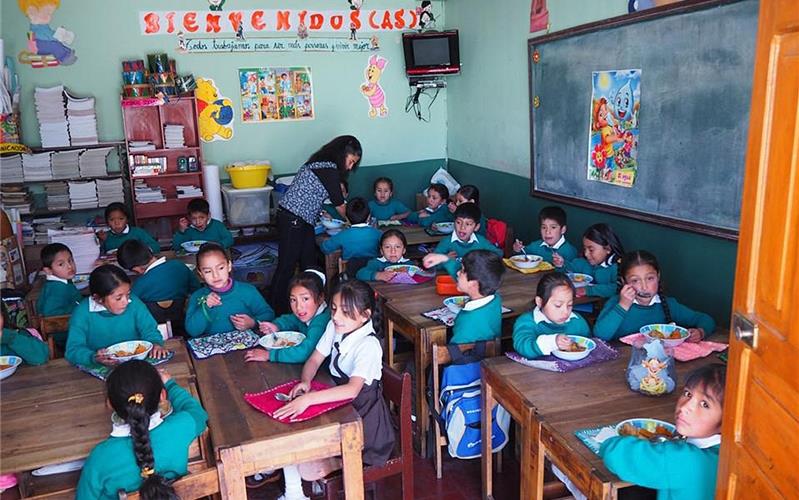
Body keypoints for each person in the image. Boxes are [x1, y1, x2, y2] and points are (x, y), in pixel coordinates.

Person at [274, 280, 395, 500]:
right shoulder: (335, 326)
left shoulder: (368, 346)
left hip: (364, 426)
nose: (336, 316)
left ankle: (332, 465)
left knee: (307, 466)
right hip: (340, 410)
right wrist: (306, 382)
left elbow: (352, 390)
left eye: (345, 312)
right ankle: (294, 494)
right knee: (289, 434)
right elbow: (314, 359)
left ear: (365, 315)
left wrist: (309, 400)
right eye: (334, 309)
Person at [76, 361, 208, 500]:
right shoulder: (180, 427)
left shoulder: (100, 457)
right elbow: (198, 413)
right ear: (162, 396)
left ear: (109, 403)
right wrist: (170, 384)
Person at [598, 364, 726, 500]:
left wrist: (608, 443)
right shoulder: (731, 457)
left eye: (704, 404)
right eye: (688, 394)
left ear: (729, 419)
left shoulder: (683, 459)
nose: (685, 407)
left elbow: (614, 453)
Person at [270, 135, 362, 314]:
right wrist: (358, 224)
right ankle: (274, 311)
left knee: (309, 264)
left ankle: (312, 309)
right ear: (342, 154)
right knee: (286, 267)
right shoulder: (328, 168)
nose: (350, 167)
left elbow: (311, 196)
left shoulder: (319, 164)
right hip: (293, 219)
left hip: (302, 220)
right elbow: (340, 205)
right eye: (350, 162)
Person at [593, 250, 716, 341]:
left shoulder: (667, 304)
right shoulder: (616, 304)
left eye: (650, 278)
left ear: (658, 276)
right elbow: (600, 335)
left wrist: (700, 332)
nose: (644, 286)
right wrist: (623, 305)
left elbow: (705, 319)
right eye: (635, 280)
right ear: (624, 282)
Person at [65, 265, 168, 367]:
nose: (126, 301)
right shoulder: (82, 313)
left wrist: (155, 343)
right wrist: (93, 357)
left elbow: (150, 330)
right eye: (118, 298)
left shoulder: (134, 303)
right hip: (101, 368)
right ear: (98, 298)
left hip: (137, 366)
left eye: (128, 294)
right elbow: (73, 350)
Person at [185, 243, 275, 337]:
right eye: (208, 271)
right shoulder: (198, 296)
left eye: (220, 268)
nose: (215, 275)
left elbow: (269, 314)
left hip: (245, 346)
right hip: (212, 348)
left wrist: (253, 322)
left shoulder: (247, 291)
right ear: (201, 273)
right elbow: (192, 331)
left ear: (229, 266)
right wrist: (205, 306)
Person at [245, 270, 330, 364]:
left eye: (305, 299)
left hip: (323, 371)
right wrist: (276, 326)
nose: (298, 307)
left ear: (320, 298)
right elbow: (291, 319)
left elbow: (304, 353)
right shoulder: (308, 313)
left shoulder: (321, 322)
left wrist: (269, 355)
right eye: (293, 300)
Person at [512, 272, 591, 359]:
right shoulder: (526, 322)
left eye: (569, 305)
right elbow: (523, 346)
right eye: (558, 305)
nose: (565, 312)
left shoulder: (578, 322)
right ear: (540, 302)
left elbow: (587, 347)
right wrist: (553, 342)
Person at [446, 250, 505, 344]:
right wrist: (445, 259)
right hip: (488, 353)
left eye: (462, 270)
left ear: (473, 284)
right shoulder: (495, 300)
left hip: (467, 355)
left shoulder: (467, 324)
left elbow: (456, 353)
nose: (457, 273)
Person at [36, 243, 81, 350]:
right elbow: (51, 316)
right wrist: (79, 308)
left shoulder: (61, 283)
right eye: (61, 264)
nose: (69, 266)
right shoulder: (58, 289)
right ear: (48, 270)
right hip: (65, 337)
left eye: (70, 261)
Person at [564, 223, 625, 298]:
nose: (586, 254)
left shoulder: (617, 267)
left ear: (608, 249)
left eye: (591, 250)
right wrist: (561, 264)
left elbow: (616, 288)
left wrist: (588, 290)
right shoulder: (585, 262)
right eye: (585, 249)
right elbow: (570, 268)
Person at [430, 203, 502, 260]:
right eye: (458, 222)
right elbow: (432, 262)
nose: (462, 227)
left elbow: (499, 253)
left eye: (468, 224)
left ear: (476, 227)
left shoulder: (481, 241)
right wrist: (445, 258)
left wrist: (484, 257)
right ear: (454, 223)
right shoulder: (447, 242)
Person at [512, 206, 578, 268]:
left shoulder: (569, 251)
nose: (547, 231)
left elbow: (571, 273)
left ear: (563, 230)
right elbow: (523, 256)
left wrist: (561, 265)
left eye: (553, 227)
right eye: (544, 227)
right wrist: (518, 250)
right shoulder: (536, 246)